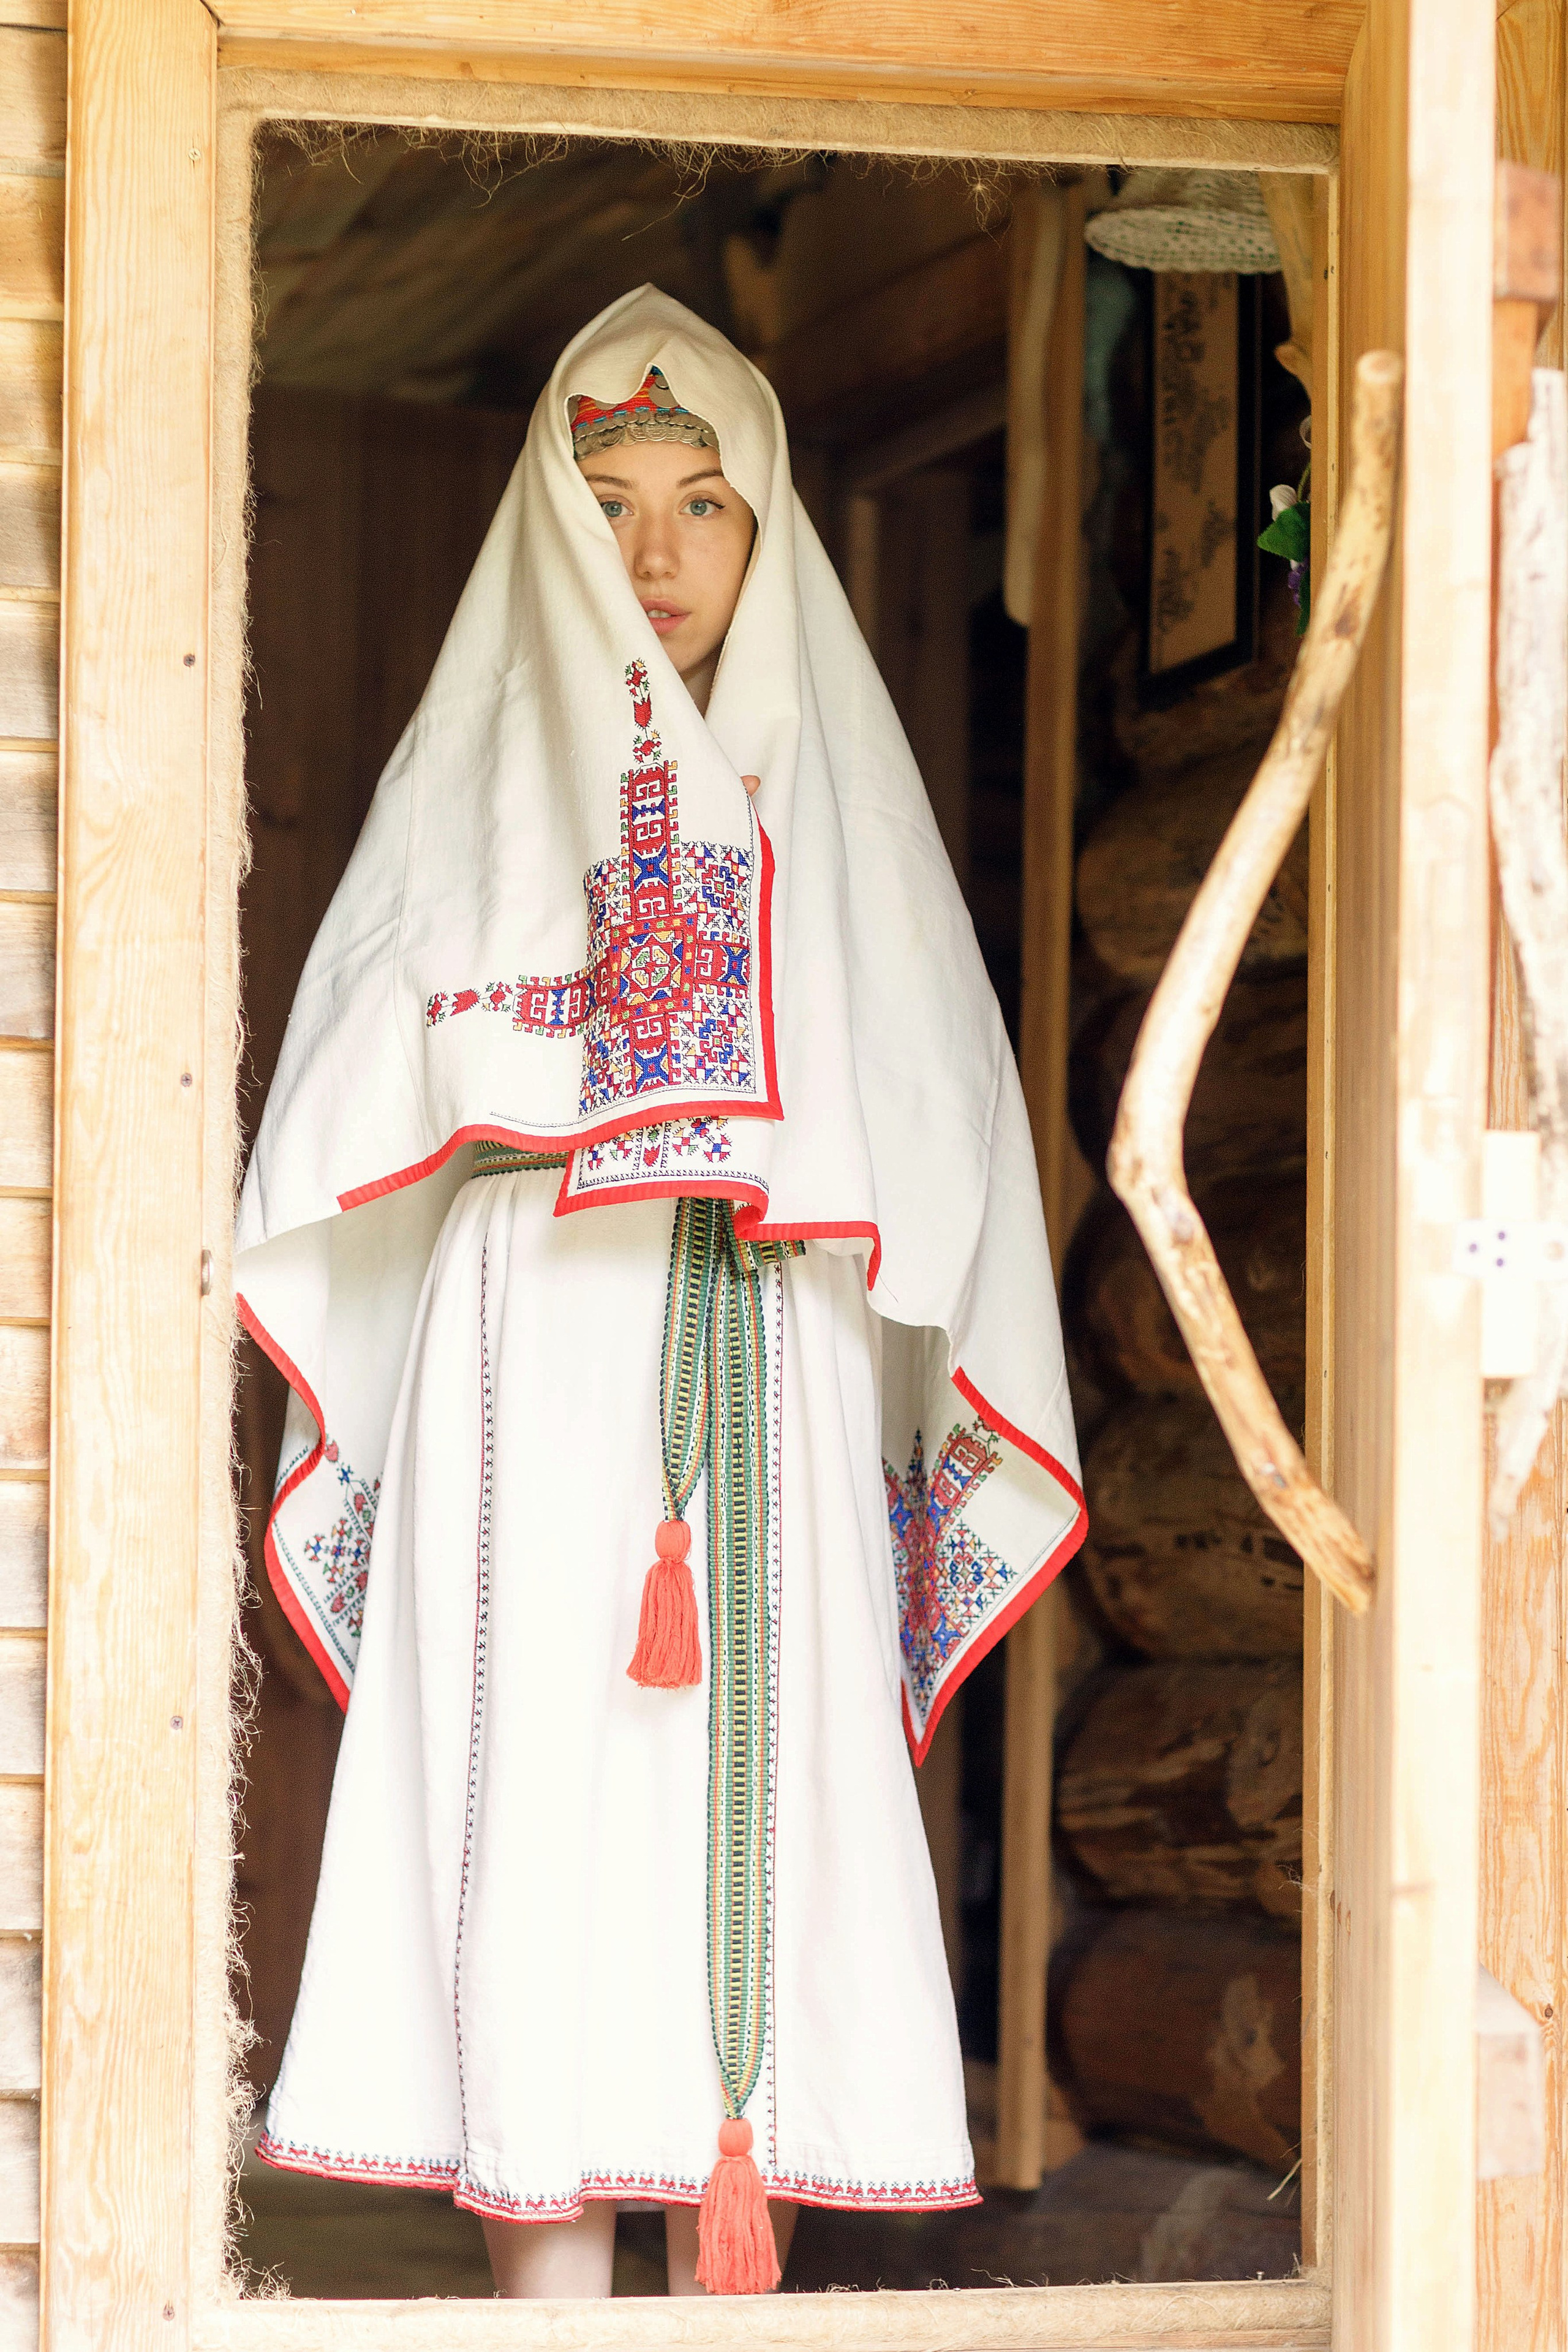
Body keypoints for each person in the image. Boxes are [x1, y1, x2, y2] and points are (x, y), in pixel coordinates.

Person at [235, 287, 1085, 2301]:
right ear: (552, 527)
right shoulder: (472, 781)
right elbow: (366, 1079)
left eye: (709, 502)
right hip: (538, 1328)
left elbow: (938, 1114)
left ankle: (727, 2276)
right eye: (609, 498)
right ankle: (550, 2311)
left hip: (765, 1355)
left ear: (769, 530)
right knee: (538, 1795)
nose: (659, 553)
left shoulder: (842, 802)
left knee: (756, 1804)